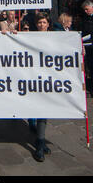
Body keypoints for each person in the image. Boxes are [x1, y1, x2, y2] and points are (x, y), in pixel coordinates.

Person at [31, 12, 52, 162]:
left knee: (45, 111)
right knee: (39, 110)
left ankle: (40, 140)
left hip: (49, 79)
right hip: (34, 79)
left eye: (44, 22)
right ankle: (39, 142)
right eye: (39, 23)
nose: (41, 25)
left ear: (48, 24)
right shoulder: (31, 36)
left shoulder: (56, 37)